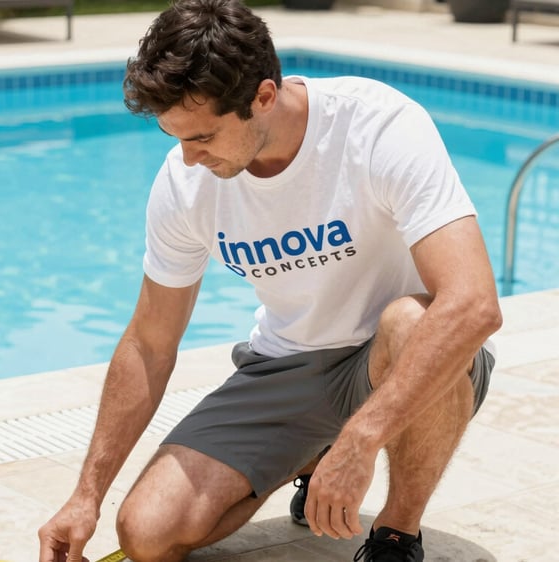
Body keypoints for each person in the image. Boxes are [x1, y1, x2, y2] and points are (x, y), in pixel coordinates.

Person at [37, 1, 502, 560]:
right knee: (146, 533)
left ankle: (397, 533)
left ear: (263, 97)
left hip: (397, 355)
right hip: (287, 365)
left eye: (203, 137)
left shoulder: (377, 125)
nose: (188, 159)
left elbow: (473, 304)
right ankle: (304, 456)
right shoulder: (185, 184)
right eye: (176, 138)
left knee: (414, 320)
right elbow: (149, 342)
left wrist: (360, 441)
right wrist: (86, 496)